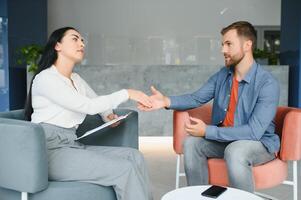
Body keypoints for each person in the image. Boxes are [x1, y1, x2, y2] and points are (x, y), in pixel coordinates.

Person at [139, 21, 280, 193]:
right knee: (191, 144)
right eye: (222, 45)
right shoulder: (223, 75)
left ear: (247, 45)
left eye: (229, 44)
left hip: (258, 144)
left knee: (235, 150)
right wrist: (165, 101)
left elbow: (253, 132)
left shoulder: (267, 83)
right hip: (227, 140)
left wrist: (207, 131)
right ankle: (199, 197)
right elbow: (196, 98)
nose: (223, 50)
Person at [24, 27, 153, 200]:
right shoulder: (46, 79)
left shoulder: (75, 79)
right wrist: (127, 93)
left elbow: (95, 101)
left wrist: (107, 115)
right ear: (57, 46)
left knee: (134, 156)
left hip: (71, 143)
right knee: (124, 169)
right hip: (49, 150)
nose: (81, 43)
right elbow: (88, 106)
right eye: (75, 39)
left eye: (82, 40)